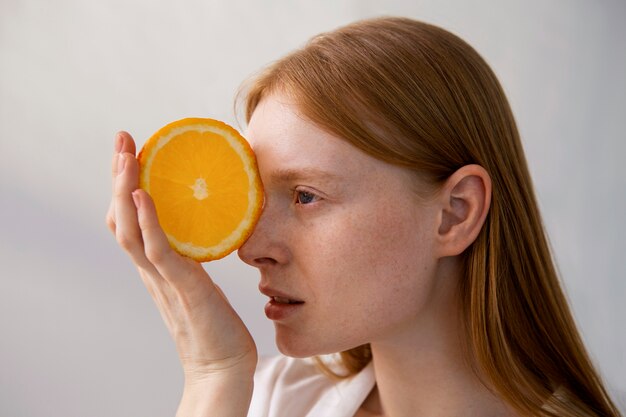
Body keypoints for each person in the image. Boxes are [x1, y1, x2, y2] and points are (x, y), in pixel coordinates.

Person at [106, 17, 622, 417]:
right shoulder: (267, 401)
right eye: (258, 200)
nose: (250, 247)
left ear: (455, 214)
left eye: (306, 196)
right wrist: (213, 374)